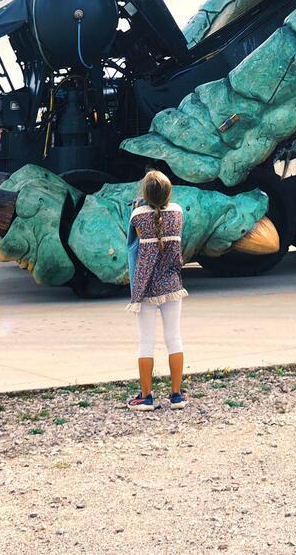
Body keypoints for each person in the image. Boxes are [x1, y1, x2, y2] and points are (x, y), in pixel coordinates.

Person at [126, 169, 187, 412]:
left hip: (146, 287)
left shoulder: (137, 215)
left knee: (145, 342)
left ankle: (146, 396)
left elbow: (132, 241)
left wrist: (142, 205)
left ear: (145, 193)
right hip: (172, 284)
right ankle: (176, 395)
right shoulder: (178, 212)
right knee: (174, 338)